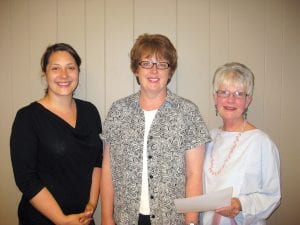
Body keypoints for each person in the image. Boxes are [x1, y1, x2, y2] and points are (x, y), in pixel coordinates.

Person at [100, 33, 211, 225]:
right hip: (126, 218)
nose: (154, 70)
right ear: (135, 69)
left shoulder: (187, 112)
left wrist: (191, 221)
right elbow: (108, 170)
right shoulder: (118, 111)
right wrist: (106, 218)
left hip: (171, 219)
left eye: (162, 64)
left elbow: (194, 174)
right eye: (146, 63)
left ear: (170, 71)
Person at [10, 43, 103, 225]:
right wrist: (61, 220)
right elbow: (26, 179)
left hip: (82, 218)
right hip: (41, 219)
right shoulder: (27, 117)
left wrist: (91, 204)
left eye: (71, 68)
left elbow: (97, 161)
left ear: (78, 72)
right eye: (55, 68)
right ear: (44, 75)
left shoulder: (90, 111)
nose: (64, 75)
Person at [202, 62, 281, 225]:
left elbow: (272, 196)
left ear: (248, 101)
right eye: (223, 92)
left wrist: (240, 204)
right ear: (215, 98)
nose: (230, 99)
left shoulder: (261, 142)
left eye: (239, 93)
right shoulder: (209, 138)